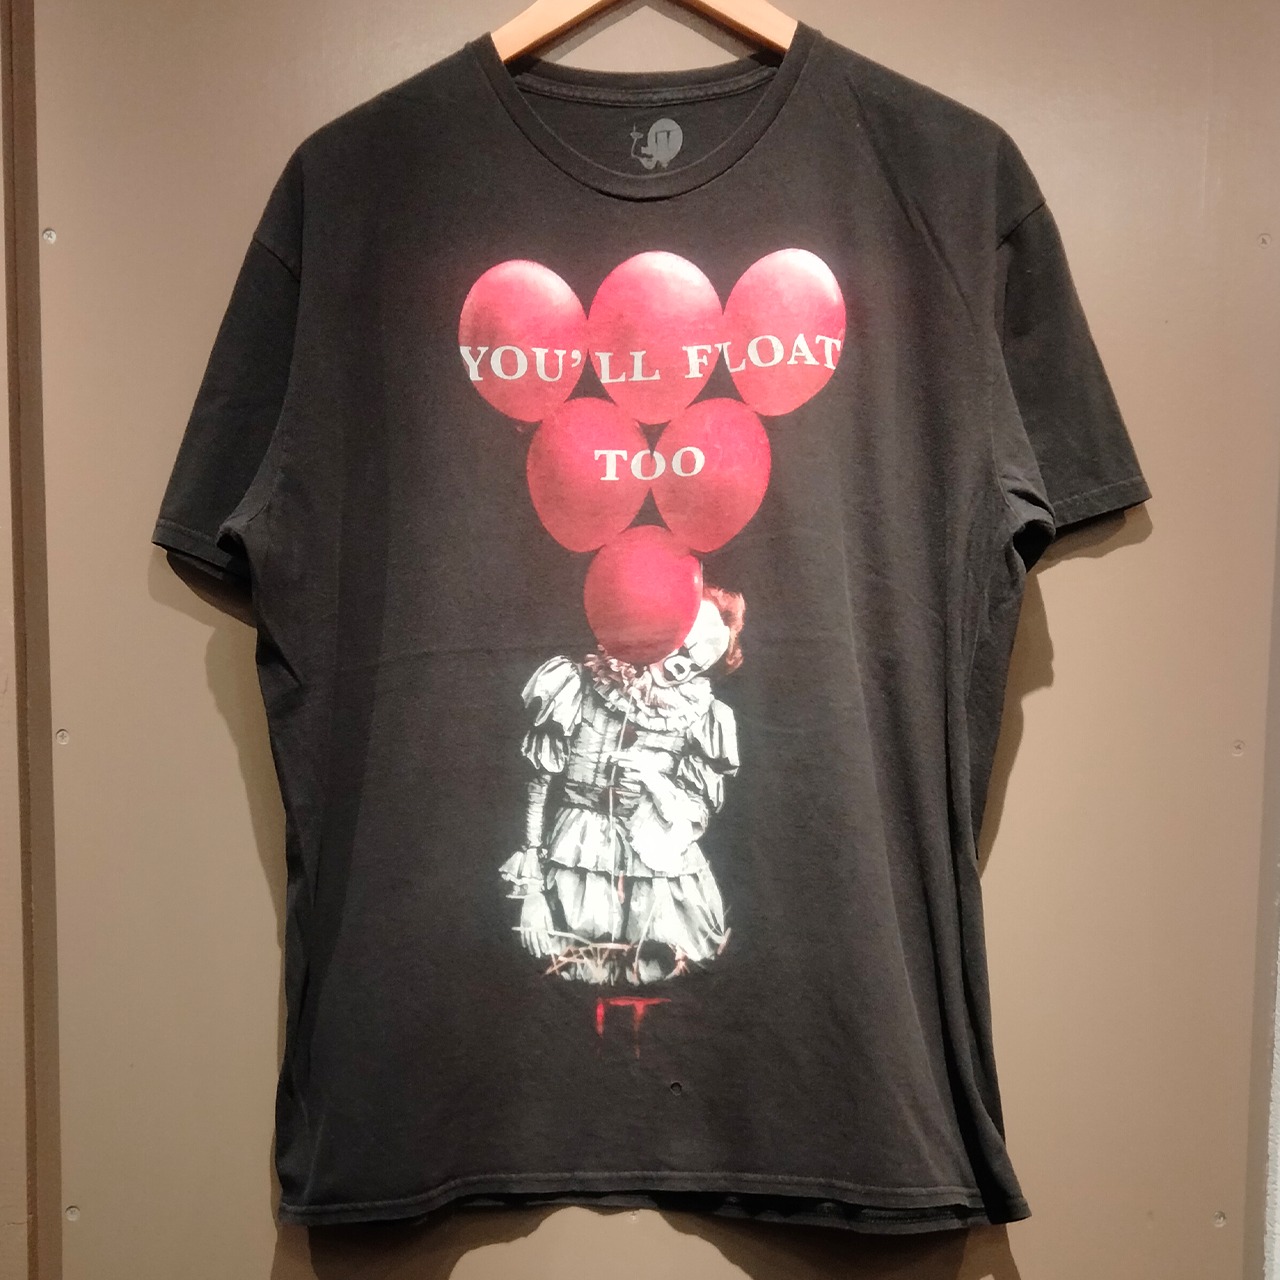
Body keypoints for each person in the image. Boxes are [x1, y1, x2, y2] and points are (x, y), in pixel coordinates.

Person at [500, 584, 745, 985]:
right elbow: (537, 786)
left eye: (695, 661)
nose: (679, 667)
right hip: (576, 855)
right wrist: (530, 891)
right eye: (679, 648)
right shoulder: (574, 684)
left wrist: (655, 782)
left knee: (660, 980)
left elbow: (695, 812)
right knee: (574, 976)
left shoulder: (703, 714)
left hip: (658, 864)